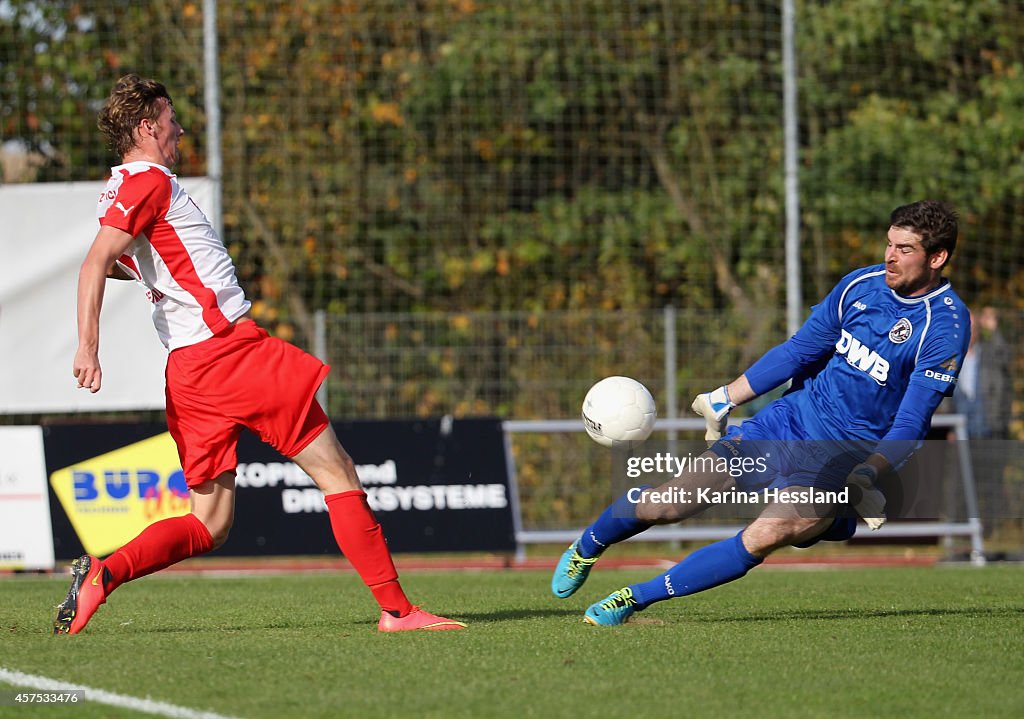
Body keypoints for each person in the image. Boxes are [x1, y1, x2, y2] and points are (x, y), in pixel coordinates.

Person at [54, 74, 465, 634]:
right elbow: (95, 261)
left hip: (190, 369)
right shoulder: (147, 180)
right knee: (337, 471)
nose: (181, 128)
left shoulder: (126, 185)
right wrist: (88, 347)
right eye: (171, 118)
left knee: (210, 523)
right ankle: (398, 611)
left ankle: (105, 573)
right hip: (229, 355)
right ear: (147, 126)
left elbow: (128, 261)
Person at [552, 200, 970, 625]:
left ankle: (632, 599)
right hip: (787, 423)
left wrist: (869, 472)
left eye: (904, 249)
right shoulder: (860, 285)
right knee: (670, 503)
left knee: (766, 533)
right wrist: (725, 397)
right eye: (888, 244)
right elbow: (799, 351)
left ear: (936, 258)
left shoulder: (945, 327)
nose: (889, 257)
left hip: (843, 459)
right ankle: (586, 546)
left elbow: (912, 422)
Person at [950, 306, 1013, 535]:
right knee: (962, 485)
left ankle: (989, 530)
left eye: (974, 327)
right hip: (963, 432)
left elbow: (1004, 356)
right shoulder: (950, 359)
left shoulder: (989, 354)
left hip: (989, 429)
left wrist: (994, 330)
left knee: (991, 483)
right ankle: (960, 529)